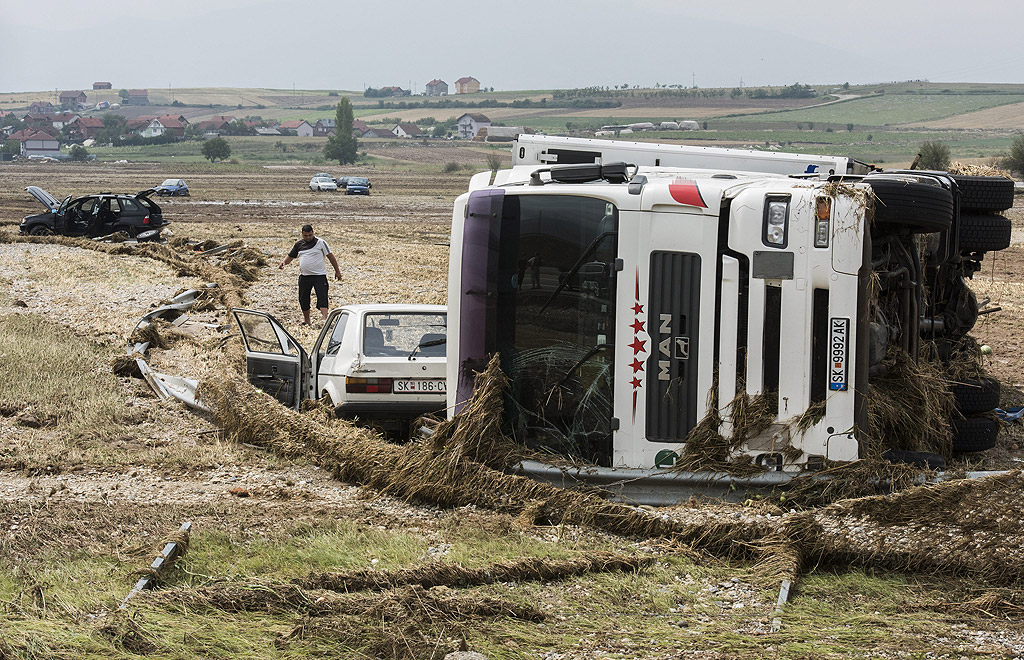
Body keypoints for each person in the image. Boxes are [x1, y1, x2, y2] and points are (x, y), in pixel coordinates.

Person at [279, 224, 342, 325]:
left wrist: (337, 271)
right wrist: (284, 262)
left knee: (322, 297)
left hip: (319, 276)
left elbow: (330, 256)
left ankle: (325, 319)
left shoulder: (321, 243)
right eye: (305, 236)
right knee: (303, 299)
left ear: (313, 233)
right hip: (305, 276)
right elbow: (291, 256)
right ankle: (307, 320)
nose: (308, 237)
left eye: (310, 235)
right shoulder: (299, 244)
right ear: (302, 234)